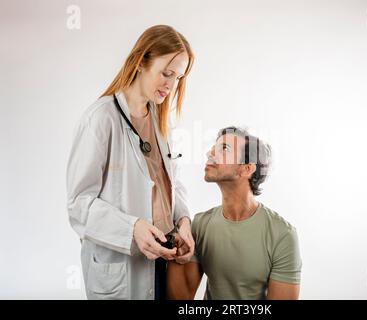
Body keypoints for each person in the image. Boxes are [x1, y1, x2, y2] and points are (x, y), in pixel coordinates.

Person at [66, 25, 195, 300]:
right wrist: (132, 228)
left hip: (163, 260)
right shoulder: (101, 119)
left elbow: (171, 183)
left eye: (178, 78)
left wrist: (183, 221)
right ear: (140, 62)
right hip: (122, 267)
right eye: (166, 73)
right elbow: (78, 204)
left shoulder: (162, 122)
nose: (171, 85)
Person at [167, 127, 302, 300]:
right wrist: (173, 247)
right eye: (214, 147)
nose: (210, 153)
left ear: (246, 169)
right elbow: (180, 297)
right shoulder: (199, 225)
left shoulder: (282, 235)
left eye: (224, 148)